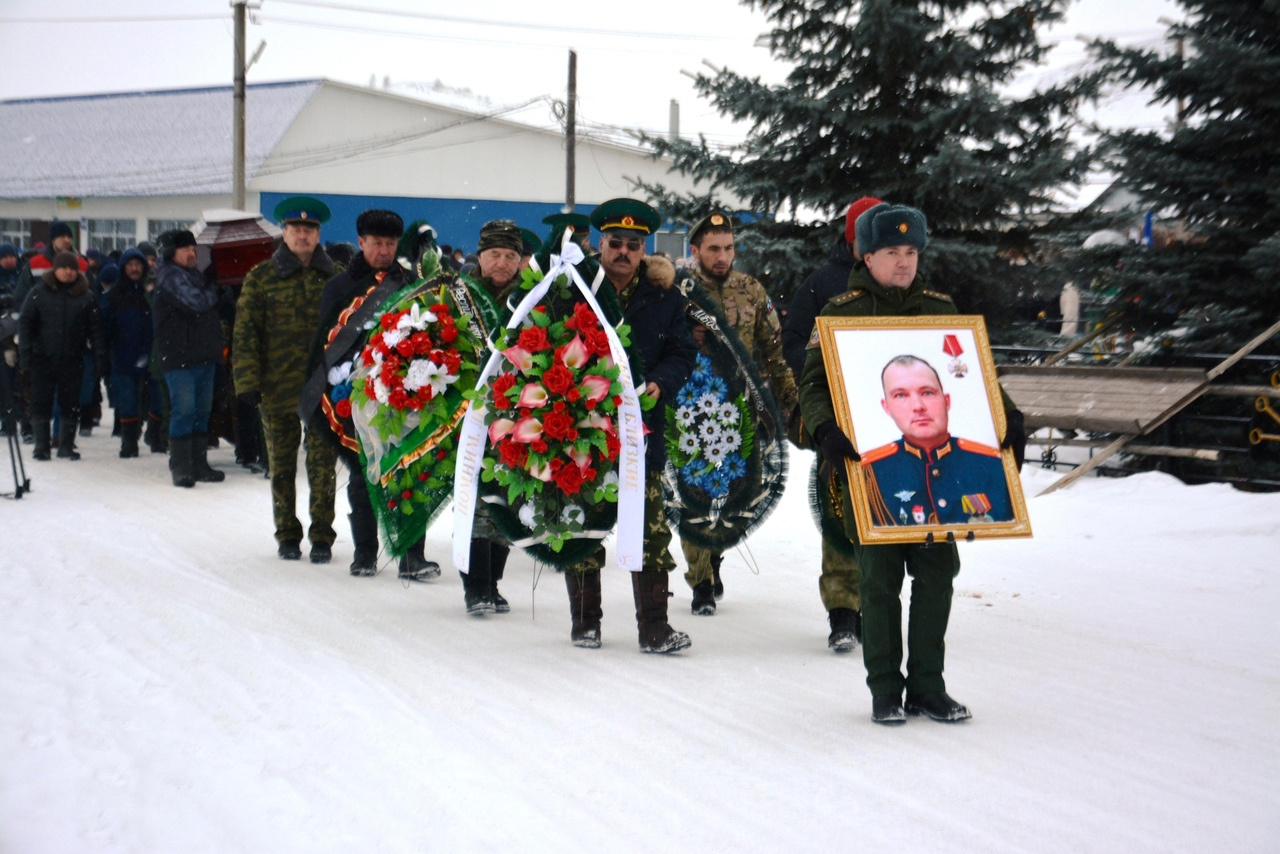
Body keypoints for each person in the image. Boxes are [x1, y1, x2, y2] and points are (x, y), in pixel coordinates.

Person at [798, 202, 1025, 726]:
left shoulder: (941, 311)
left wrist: (1009, 416)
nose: (903, 263)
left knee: (936, 576)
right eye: (891, 252)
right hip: (869, 472)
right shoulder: (841, 313)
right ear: (867, 255)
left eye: (911, 252)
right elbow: (813, 385)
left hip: (941, 476)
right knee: (878, 582)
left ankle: (928, 687)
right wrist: (824, 428)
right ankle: (885, 689)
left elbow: (974, 378)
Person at [563, 198, 695, 654]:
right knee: (581, 523)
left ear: (645, 250)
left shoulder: (666, 298)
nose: (623, 252)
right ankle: (585, 623)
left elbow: (682, 353)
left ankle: (654, 627)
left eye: (633, 245)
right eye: (615, 242)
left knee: (650, 528)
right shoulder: (574, 289)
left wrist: (661, 382)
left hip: (643, 434)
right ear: (600, 243)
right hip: (583, 430)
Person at [676, 211, 798, 615]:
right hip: (694, 410)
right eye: (713, 249)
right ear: (695, 251)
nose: (722, 256)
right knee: (694, 493)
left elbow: (774, 353)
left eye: (728, 248)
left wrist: (790, 401)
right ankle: (701, 582)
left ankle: (715, 557)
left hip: (742, 412)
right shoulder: (679, 291)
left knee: (733, 497)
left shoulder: (751, 290)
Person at [311, 208, 441, 582]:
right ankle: (365, 552)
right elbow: (326, 342)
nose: (383, 251)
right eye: (376, 243)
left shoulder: (409, 284)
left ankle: (411, 556)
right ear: (361, 243)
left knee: (410, 471)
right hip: (352, 394)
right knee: (361, 473)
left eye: (390, 244)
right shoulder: (339, 288)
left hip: (403, 393)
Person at [782, 195, 881, 653]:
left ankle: (879, 607)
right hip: (840, 421)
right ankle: (843, 611)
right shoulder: (824, 285)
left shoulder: (907, 287)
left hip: (895, 419)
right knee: (840, 511)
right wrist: (822, 389)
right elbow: (795, 342)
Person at [233, 197, 340, 562]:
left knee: (323, 465)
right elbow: (245, 332)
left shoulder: (334, 276)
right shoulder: (262, 277)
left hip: (323, 388)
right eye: (296, 228)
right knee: (281, 465)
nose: (302, 235)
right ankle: (287, 533)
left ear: (318, 234)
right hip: (277, 385)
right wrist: (246, 381)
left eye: (309, 229)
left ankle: (322, 535)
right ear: (284, 231)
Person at [861, 355, 1013, 526]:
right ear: (887, 407)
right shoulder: (870, 472)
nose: (918, 406)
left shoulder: (990, 463)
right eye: (901, 395)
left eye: (927, 393)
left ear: (946, 401)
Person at [152, 229, 225, 488]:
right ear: (172, 253)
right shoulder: (170, 277)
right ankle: (182, 467)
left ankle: (198, 464)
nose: (192, 253)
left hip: (202, 355)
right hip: (179, 357)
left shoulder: (194, 276)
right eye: (186, 249)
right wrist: (215, 291)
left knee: (201, 412)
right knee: (184, 411)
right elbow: (196, 302)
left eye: (193, 248)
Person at [17, 251, 106, 461]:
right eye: (64, 268)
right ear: (54, 270)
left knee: (71, 403)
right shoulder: (38, 292)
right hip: (42, 358)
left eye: (72, 268)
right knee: (41, 402)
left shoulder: (86, 296)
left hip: (73, 358)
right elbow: (25, 322)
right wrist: (26, 353)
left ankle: (66, 445)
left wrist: (100, 356)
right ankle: (42, 446)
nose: (68, 272)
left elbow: (96, 330)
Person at [99, 248, 153, 458]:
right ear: (123, 268)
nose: (134, 268)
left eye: (138, 264)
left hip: (150, 354)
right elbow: (105, 326)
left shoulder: (150, 292)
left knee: (154, 398)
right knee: (128, 399)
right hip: (123, 355)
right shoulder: (114, 295)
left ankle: (154, 436)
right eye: (130, 265)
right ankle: (129, 442)